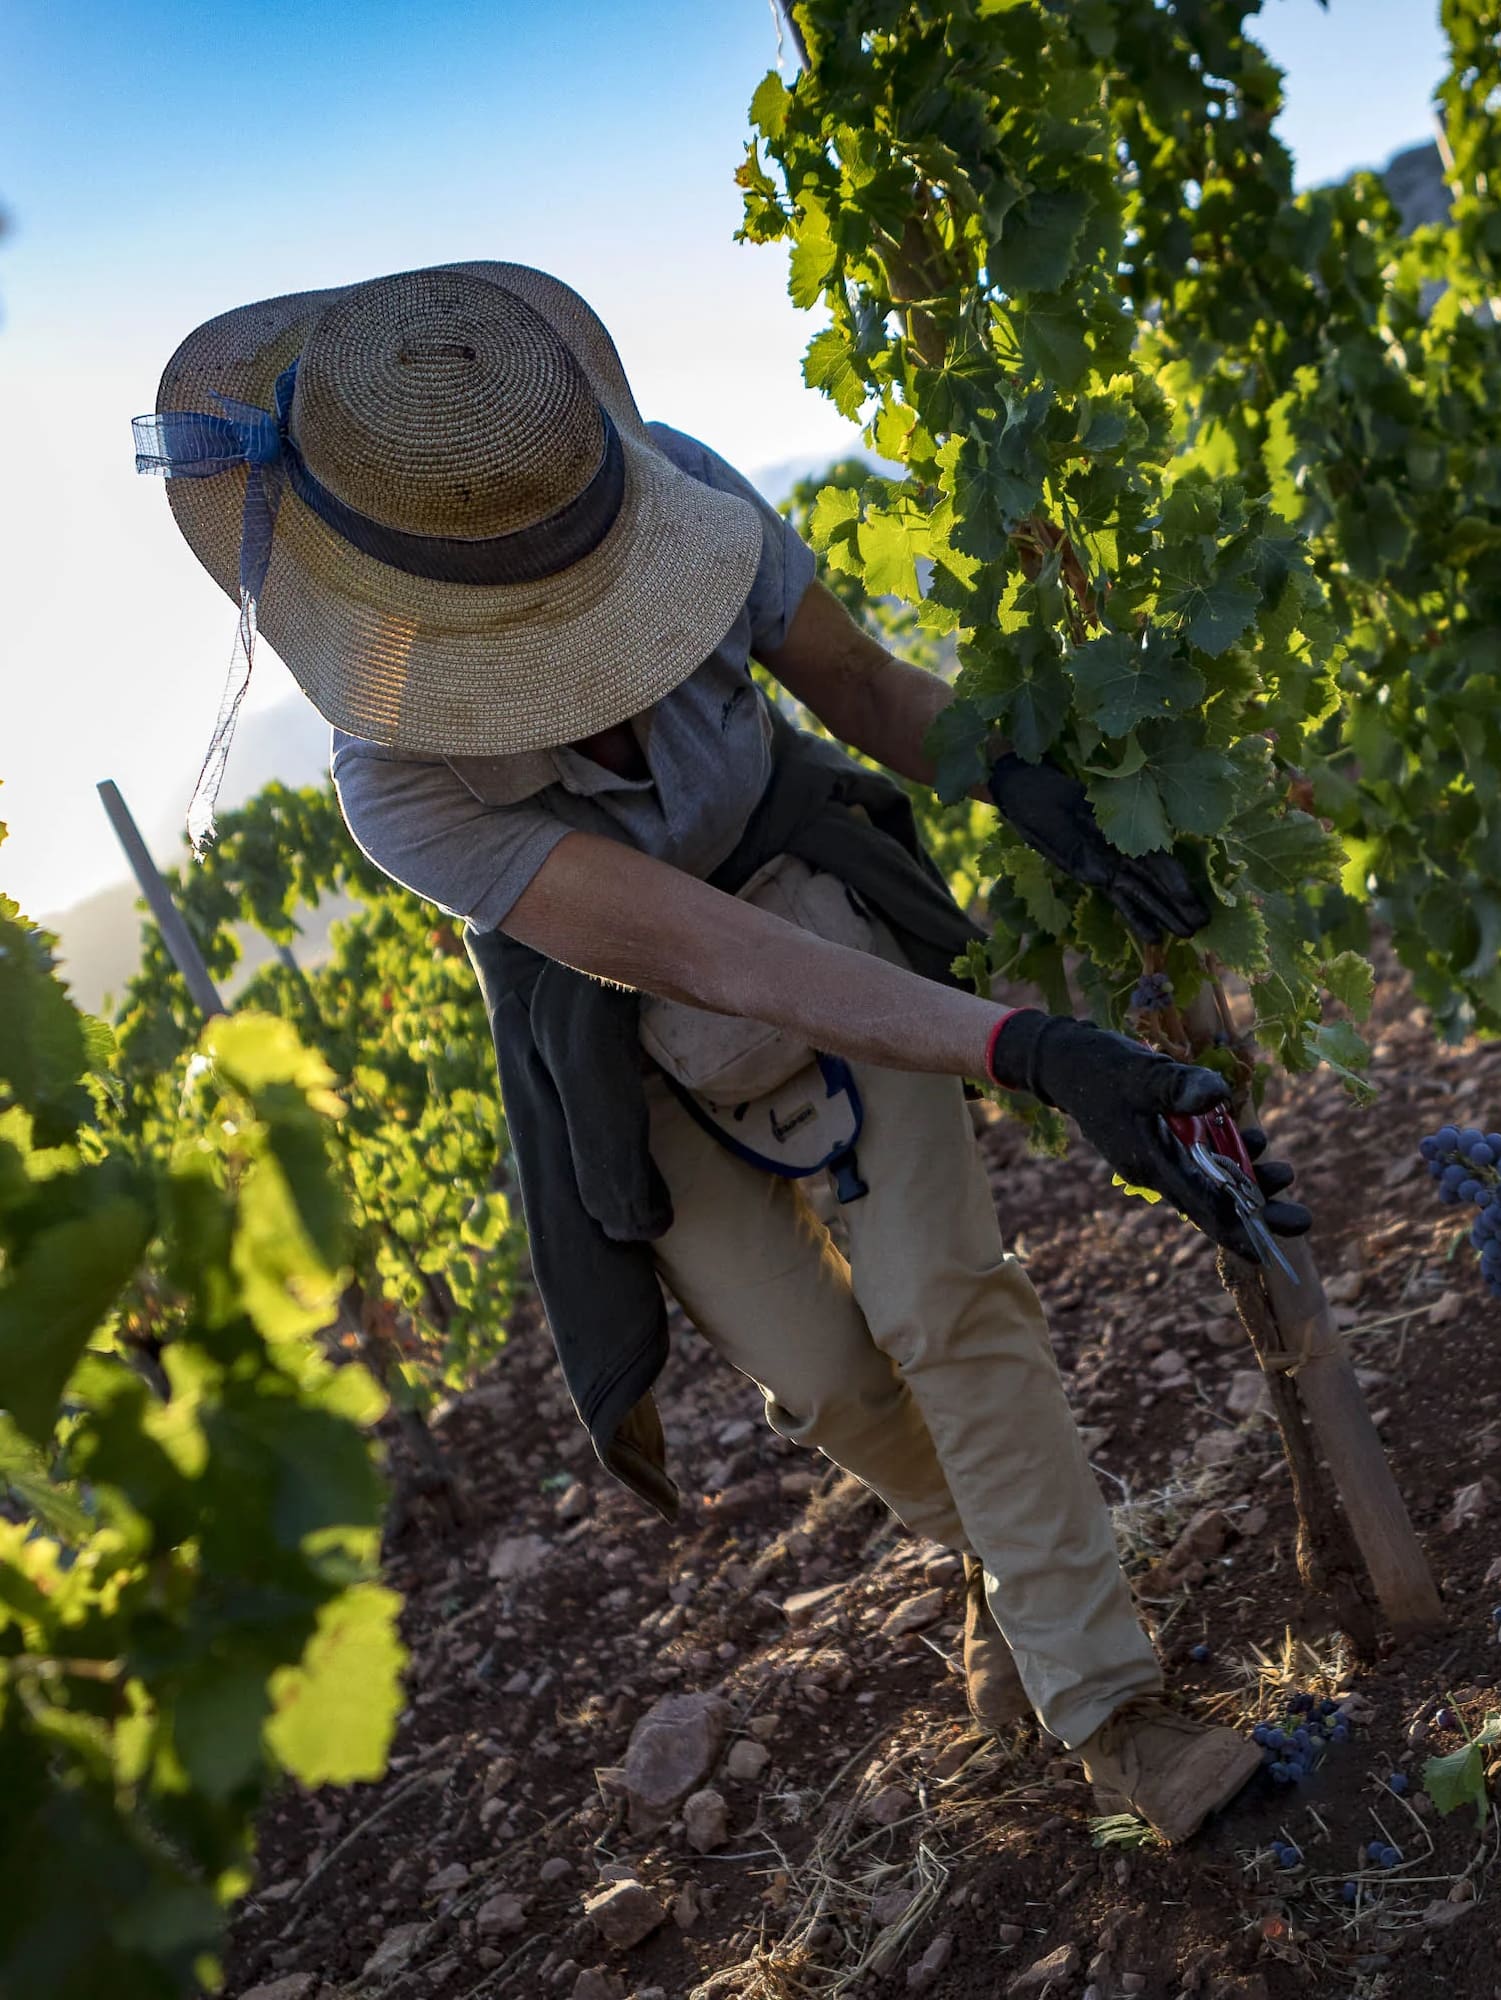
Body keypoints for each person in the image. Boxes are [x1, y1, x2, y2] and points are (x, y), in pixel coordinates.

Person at [135, 261, 1312, 1842]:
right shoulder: (397, 784)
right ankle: (1008, 1568)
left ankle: (1110, 1707)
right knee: (829, 1381)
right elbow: (714, 958)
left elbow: (866, 689)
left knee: (945, 1304)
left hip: (807, 880)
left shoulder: (676, 494)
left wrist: (1028, 781)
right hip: (621, 1023)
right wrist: (1032, 1051)